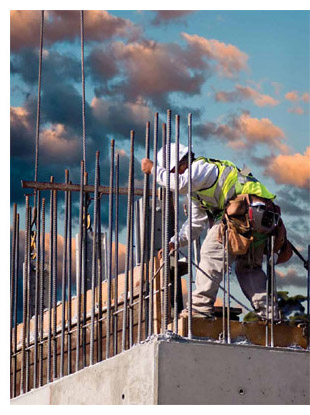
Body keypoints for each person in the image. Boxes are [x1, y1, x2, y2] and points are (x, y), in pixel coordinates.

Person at [141, 143, 292, 320]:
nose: (175, 176)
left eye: (173, 172)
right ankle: (270, 316)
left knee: (211, 251)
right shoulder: (197, 192)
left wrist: (153, 169)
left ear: (182, 163)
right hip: (262, 219)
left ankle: (199, 308)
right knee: (248, 269)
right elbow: (195, 224)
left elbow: (180, 184)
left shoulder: (200, 168)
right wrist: (176, 241)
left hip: (245, 214)